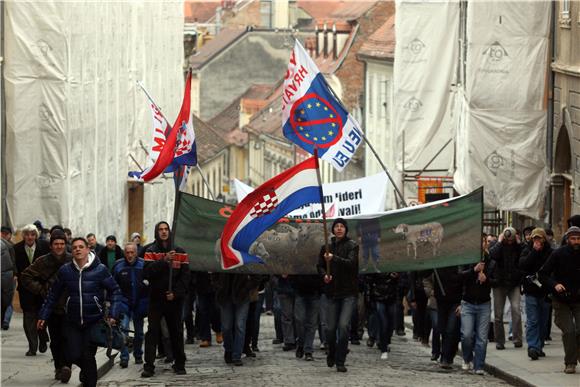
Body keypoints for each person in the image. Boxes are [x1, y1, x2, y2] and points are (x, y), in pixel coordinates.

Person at [37, 237, 122, 387]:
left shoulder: (100, 269)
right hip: (72, 321)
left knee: (88, 356)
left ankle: (90, 381)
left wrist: (113, 314)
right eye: (75, 247)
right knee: (73, 354)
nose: (77, 249)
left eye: (81, 246)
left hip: (93, 321)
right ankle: (88, 372)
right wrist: (43, 315)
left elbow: (115, 290)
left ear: (88, 249)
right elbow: (53, 295)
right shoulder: (66, 271)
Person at [20, 230, 73, 382]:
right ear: (51, 246)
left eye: (62, 244)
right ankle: (59, 367)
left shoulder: (71, 260)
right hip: (52, 307)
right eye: (56, 244)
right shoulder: (43, 261)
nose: (59, 247)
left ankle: (66, 367)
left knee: (68, 339)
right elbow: (26, 276)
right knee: (56, 340)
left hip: (70, 306)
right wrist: (41, 290)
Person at [141, 221, 190, 377]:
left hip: (174, 300)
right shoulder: (150, 251)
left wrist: (175, 293)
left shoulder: (180, 252)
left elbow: (185, 277)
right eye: (160, 229)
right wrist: (163, 261)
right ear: (157, 232)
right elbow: (147, 272)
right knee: (152, 333)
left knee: (176, 332)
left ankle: (180, 363)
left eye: (166, 229)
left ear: (170, 231)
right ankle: (149, 366)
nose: (163, 232)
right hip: (156, 299)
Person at [317, 218, 359, 373]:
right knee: (329, 328)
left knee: (343, 327)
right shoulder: (326, 247)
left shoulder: (353, 246)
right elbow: (320, 266)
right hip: (332, 293)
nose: (339, 229)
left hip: (348, 292)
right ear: (333, 230)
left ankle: (340, 360)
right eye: (337, 226)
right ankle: (332, 352)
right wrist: (324, 275)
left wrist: (334, 258)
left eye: (342, 226)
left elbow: (351, 264)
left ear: (346, 229)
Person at [539, 226, 580, 374]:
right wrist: (555, 284)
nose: (576, 241)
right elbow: (542, 274)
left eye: (578, 238)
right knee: (568, 331)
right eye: (573, 238)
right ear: (567, 239)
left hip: (578, 299)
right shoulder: (558, 254)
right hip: (561, 299)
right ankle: (570, 362)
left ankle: (576, 352)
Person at [459, 236, 494, 375]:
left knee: (482, 338)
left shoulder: (490, 259)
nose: (481, 243)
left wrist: (487, 279)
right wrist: (473, 270)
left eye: (483, 241)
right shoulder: (466, 258)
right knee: (466, 335)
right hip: (468, 302)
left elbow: (497, 280)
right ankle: (467, 358)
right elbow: (460, 276)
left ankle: (479, 366)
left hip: (484, 303)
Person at [13, 223, 50, 356]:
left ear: (36, 236)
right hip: (25, 288)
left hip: (41, 288)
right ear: (23, 236)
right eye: (27, 234)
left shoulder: (44, 246)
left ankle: (42, 337)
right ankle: (32, 346)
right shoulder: (16, 248)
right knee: (28, 317)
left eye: (32, 234)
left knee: (42, 315)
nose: (30, 237)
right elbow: (14, 266)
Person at [112, 242, 149, 368]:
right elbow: (113, 285)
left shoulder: (143, 264)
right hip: (124, 303)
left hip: (139, 304)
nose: (130, 255)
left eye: (132, 252)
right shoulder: (118, 266)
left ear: (136, 252)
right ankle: (124, 356)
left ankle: (138, 354)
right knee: (124, 331)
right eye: (127, 252)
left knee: (139, 333)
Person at [519, 228, 552, 360]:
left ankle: (539, 345)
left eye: (539, 238)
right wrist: (534, 251)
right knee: (532, 320)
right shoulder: (527, 250)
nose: (537, 241)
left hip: (544, 291)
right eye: (535, 239)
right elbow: (523, 265)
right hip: (531, 290)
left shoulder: (550, 252)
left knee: (543, 321)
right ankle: (533, 347)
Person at [214, 273, 260, 366]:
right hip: (225, 295)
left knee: (240, 325)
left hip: (242, 295)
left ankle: (236, 355)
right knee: (226, 327)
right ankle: (229, 350)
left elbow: (257, 276)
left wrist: (246, 288)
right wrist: (219, 285)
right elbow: (214, 272)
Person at [489, 226, 523, 349]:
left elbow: (524, 256)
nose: (509, 242)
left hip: (514, 283)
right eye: (507, 240)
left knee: (516, 310)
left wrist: (518, 244)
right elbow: (492, 255)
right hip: (499, 283)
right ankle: (499, 341)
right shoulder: (496, 244)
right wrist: (499, 242)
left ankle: (517, 338)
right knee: (498, 314)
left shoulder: (517, 246)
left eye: (511, 240)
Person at [432, 266, 462, 369]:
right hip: (442, 300)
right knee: (443, 329)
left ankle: (446, 357)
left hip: (456, 300)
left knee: (451, 329)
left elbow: (464, 278)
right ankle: (446, 355)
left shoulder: (460, 263)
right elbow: (424, 273)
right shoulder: (439, 261)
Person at [366, 271, 399, 360]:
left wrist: (396, 278)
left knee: (390, 323)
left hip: (391, 296)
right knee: (383, 322)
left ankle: (386, 341)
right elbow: (370, 277)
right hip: (378, 294)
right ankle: (383, 347)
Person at [291, 274, 322, 361]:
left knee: (312, 323)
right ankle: (301, 344)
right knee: (300, 320)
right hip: (300, 291)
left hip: (315, 292)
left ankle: (308, 350)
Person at [1, 239, 15, 323]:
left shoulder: (8, 245)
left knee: (6, 301)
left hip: (6, 277)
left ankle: (5, 320)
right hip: (6, 276)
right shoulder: (8, 245)